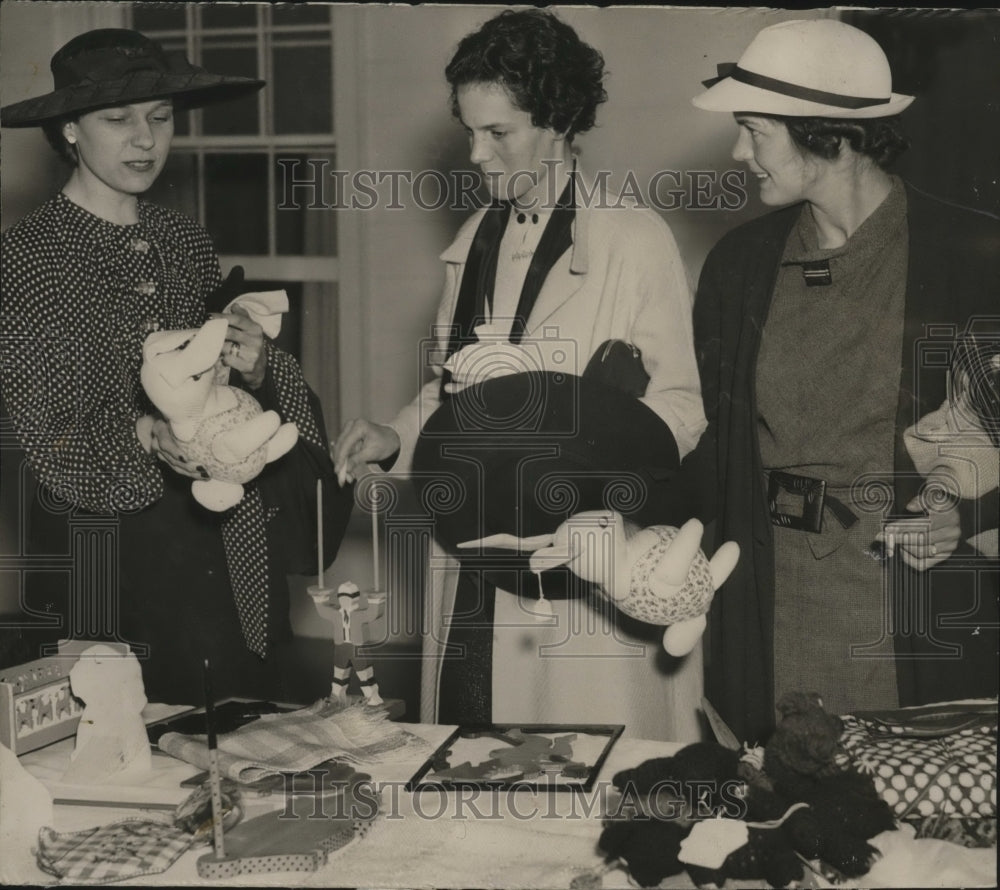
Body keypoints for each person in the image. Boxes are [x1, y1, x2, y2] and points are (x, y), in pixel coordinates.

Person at [334, 10, 706, 740]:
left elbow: (682, 406)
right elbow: (451, 398)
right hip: (472, 549)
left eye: (497, 132)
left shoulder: (633, 238)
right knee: (475, 762)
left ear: (558, 123)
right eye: (469, 131)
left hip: (582, 568)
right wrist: (391, 435)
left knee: (576, 777)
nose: (475, 153)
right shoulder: (476, 236)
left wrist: (602, 490)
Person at [0, 29, 352, 704]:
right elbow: (46, 435)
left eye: (159, 119)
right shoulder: (30, 257)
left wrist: (253, 365)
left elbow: (210, 375)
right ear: (69, 130)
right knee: (139, 752)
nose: (144, 140)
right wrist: (148, 436)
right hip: (113, 554)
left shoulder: (182, 238)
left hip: (224, 538)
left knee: (242, 731)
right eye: (118, 120)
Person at [681, 19, 999, 741]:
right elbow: (713, 451)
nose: (738, 153)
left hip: (906, 611)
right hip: (767, 602)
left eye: (754, 132)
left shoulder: (974, 261)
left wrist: (970, 516)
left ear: (829, 135)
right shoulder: (738, 269)